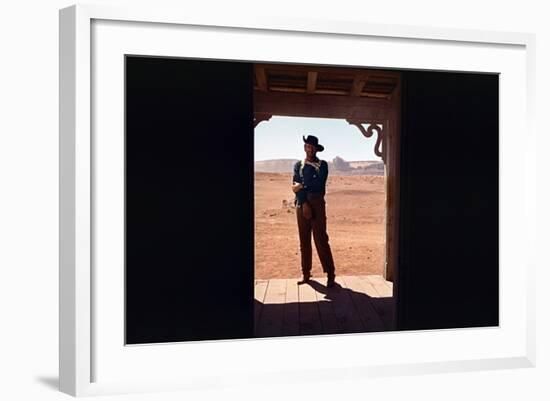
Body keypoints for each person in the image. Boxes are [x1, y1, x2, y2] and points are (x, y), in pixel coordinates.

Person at [292, 135, 337, 288]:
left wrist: (300, 186)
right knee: (304, 241)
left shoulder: (322, 165)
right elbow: (295, 185)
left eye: (312, 146)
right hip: (301, 204)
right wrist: (304, 202)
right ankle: (305, 273)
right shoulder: (298, 165)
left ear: (316, 149)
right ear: (304, 147)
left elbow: (318, 185)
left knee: (321, 240)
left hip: (317, 204)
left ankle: (330, 274)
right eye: (307, 146)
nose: (309, 149)